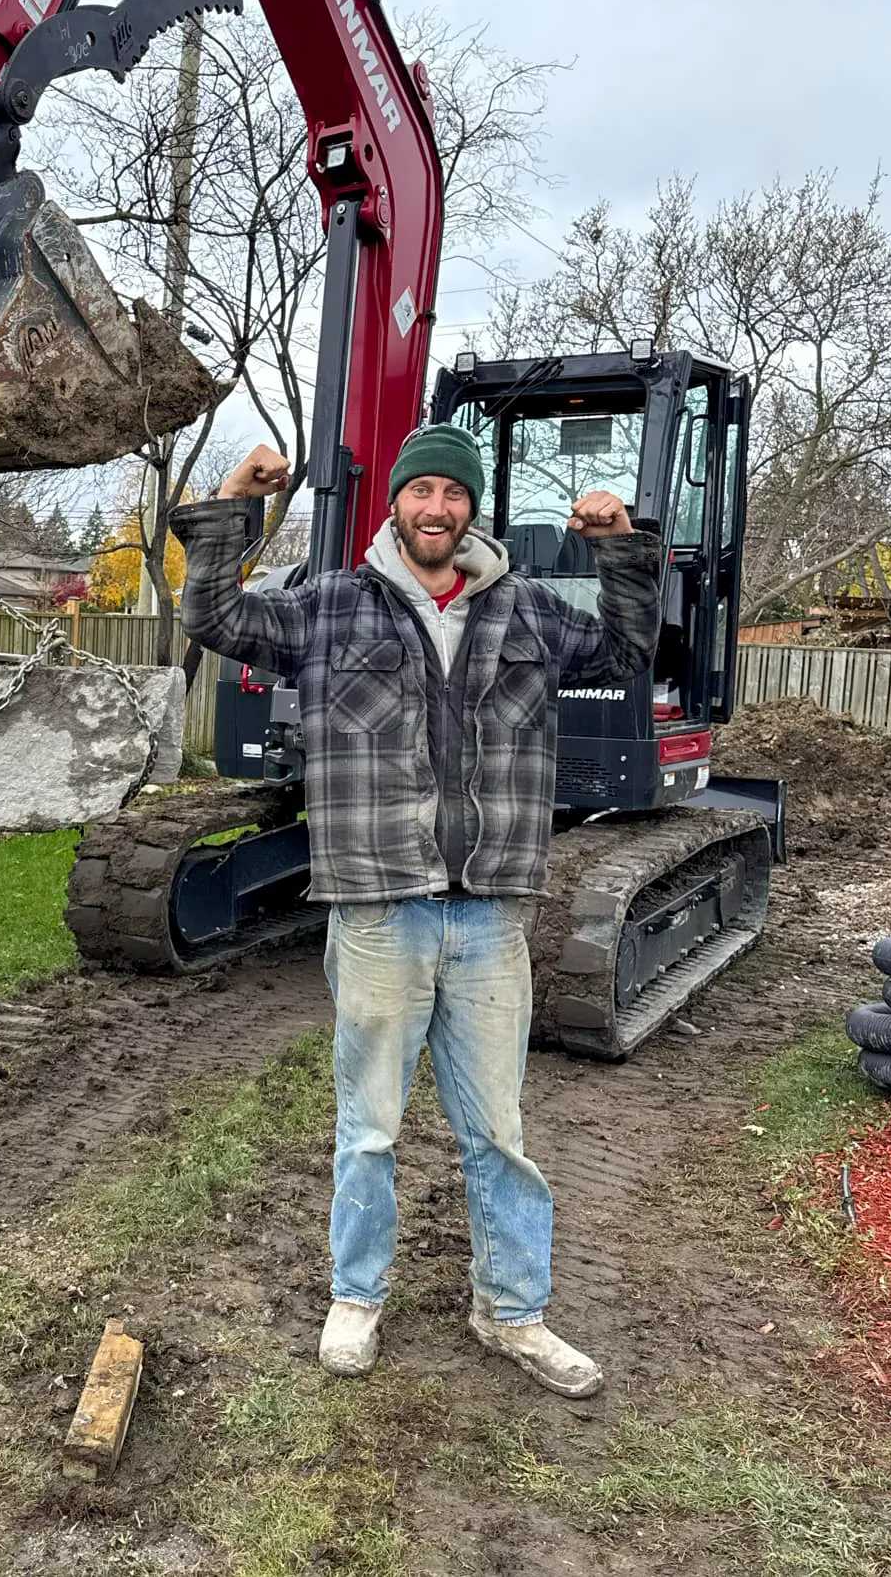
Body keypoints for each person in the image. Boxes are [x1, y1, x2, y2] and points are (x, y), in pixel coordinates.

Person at [169, 424, 661, 1399]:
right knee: (371, 1128)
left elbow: (627, 647)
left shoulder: (522, 611)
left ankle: (512, 1311)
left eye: (454, 493)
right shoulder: (331, 608)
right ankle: (357, 1296)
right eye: (421, 489)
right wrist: (235, 501)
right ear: (396, 502)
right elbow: (216, 616)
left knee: (499, 1136)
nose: (437, 508)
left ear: (473, 507)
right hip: (379, 908)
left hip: (487, 915)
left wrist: (621, 544)